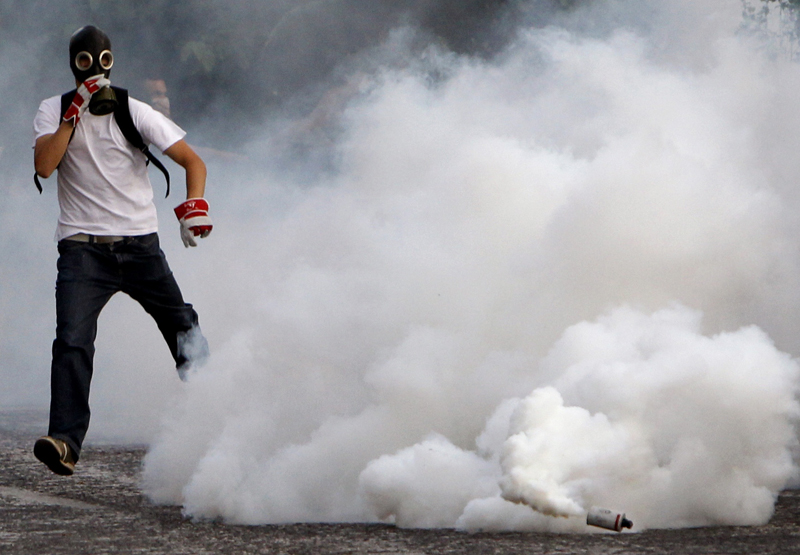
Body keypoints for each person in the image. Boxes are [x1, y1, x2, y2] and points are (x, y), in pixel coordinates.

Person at [31, 25, 213, 476]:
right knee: (72, 340)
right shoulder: (52, 110)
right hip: (82, 250)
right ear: (74, 65)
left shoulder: (134, 109)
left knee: (181, 325)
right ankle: (65, 442)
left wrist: (194, 207)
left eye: (102, 62)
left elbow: (192, 160)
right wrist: (72, 115)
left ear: (111, 63)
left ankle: (221, 410)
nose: (94, 70)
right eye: (85, 62)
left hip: (139, 244)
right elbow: (44, 166)